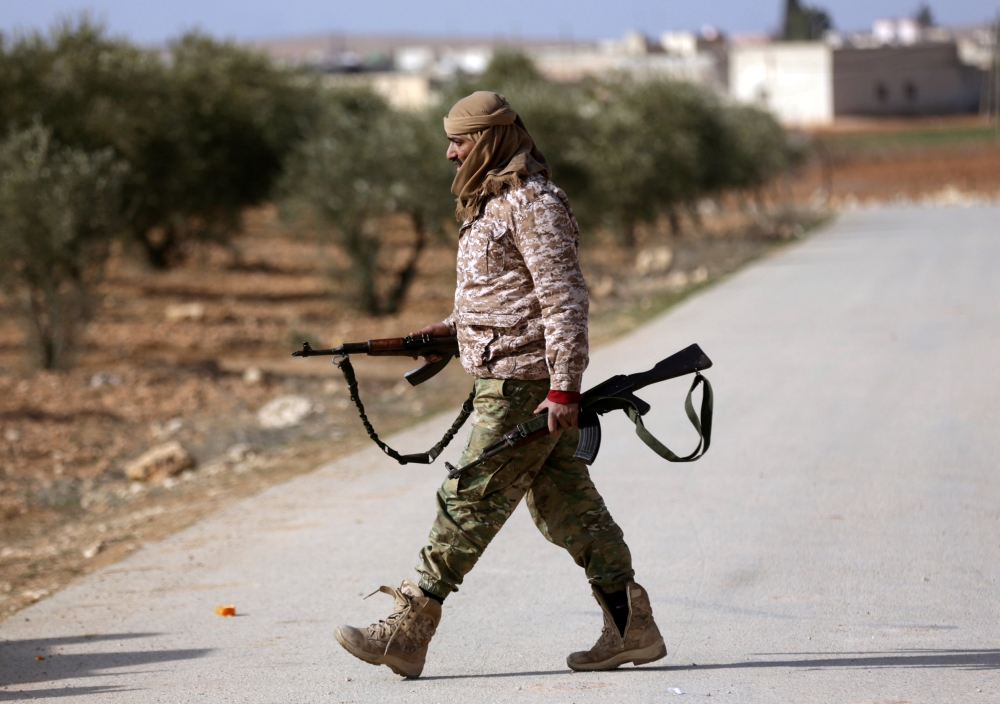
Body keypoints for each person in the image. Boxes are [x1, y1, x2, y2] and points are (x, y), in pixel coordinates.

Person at [334, 91, 665, 678]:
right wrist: (450, 331)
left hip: (524, 384)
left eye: (458, 140)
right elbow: (506, 294)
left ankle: (408, 632)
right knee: (569, 507)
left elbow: (563, 297)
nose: (449, 152)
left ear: (486, 140)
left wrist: (564, 386)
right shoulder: (494, 202)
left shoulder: (534, 203)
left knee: (468, 499)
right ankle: (630, 626)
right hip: (507, 376)